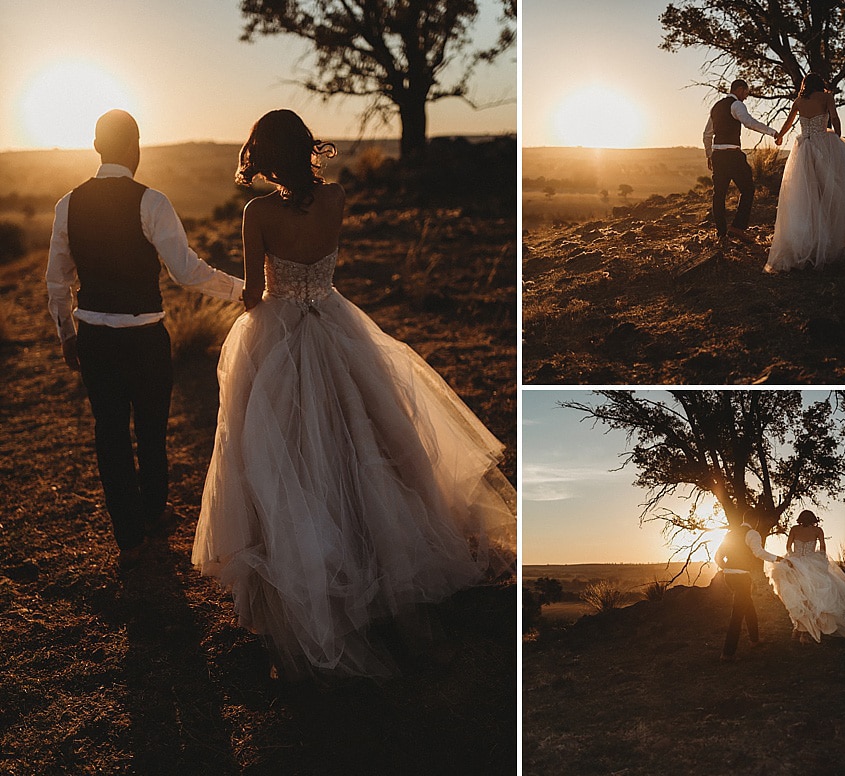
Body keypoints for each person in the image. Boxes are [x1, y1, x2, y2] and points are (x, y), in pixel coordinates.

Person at [192, 109, 516, 682]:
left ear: (265, 156)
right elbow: (324, 263)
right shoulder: (336, 196)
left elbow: (249, 296)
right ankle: (379, 558)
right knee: (363, 439)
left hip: (283, 333)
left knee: (288, 454)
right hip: (338, 323)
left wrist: (249, 293)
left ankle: (312, 573)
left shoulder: (257, 213)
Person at [45, 109, 244, 572]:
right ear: (136, 148)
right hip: (146, 339)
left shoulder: (67, 205)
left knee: (109, 434)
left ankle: (129, 538)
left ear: (97, 147)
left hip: (93, 337)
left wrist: (67, 333)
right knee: (152, 431)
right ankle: (154, 515)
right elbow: (186, 271)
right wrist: (240, 290)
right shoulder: (152, 202)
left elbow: (57, 280)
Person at [765, 73, 845, 273]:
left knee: (805, 194)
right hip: (823, 144)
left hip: (804, 147)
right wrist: (838, 138)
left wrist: (779, 136)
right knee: (831, 189)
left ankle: (808, 239)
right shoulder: (826, 97)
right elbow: (834, 117)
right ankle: (829, 238)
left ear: (805, 84)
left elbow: (788, 123)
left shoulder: (798, 101)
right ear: (820, 84)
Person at [765, 509, 845, 643]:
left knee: (799, 597)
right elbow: (822, 548)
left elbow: (788, 547)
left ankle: (799, 629)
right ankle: (805, 630)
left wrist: (793, 558)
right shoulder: (818, 530)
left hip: (796, 563)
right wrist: (819, 561)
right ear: (813, 519)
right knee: (814, 597)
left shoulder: (794, 529)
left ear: (800, 518)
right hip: (812, 564)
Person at [703, 79, 780, 245]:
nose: (747, 96)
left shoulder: (716, 107)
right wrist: (773, 132)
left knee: (719, 194)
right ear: (739, 89)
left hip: (717, 156)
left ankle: (722, 234)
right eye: (746, 92)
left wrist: (710, 155)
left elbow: (707, 134)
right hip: (733, 156)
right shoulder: (737, 105)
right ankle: (737, 228)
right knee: (748, 189)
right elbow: (749, 122)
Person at [715, 510, 793, 661]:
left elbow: (717, 555)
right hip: (742, 577)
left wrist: (726, 568)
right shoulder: (752, 533)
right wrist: (779, 559)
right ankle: (727, 653)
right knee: (737, 614)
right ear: (755, 521)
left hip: (729, 577)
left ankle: (754, 640)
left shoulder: (730, 534)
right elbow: (759, 553)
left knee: (748, 606)